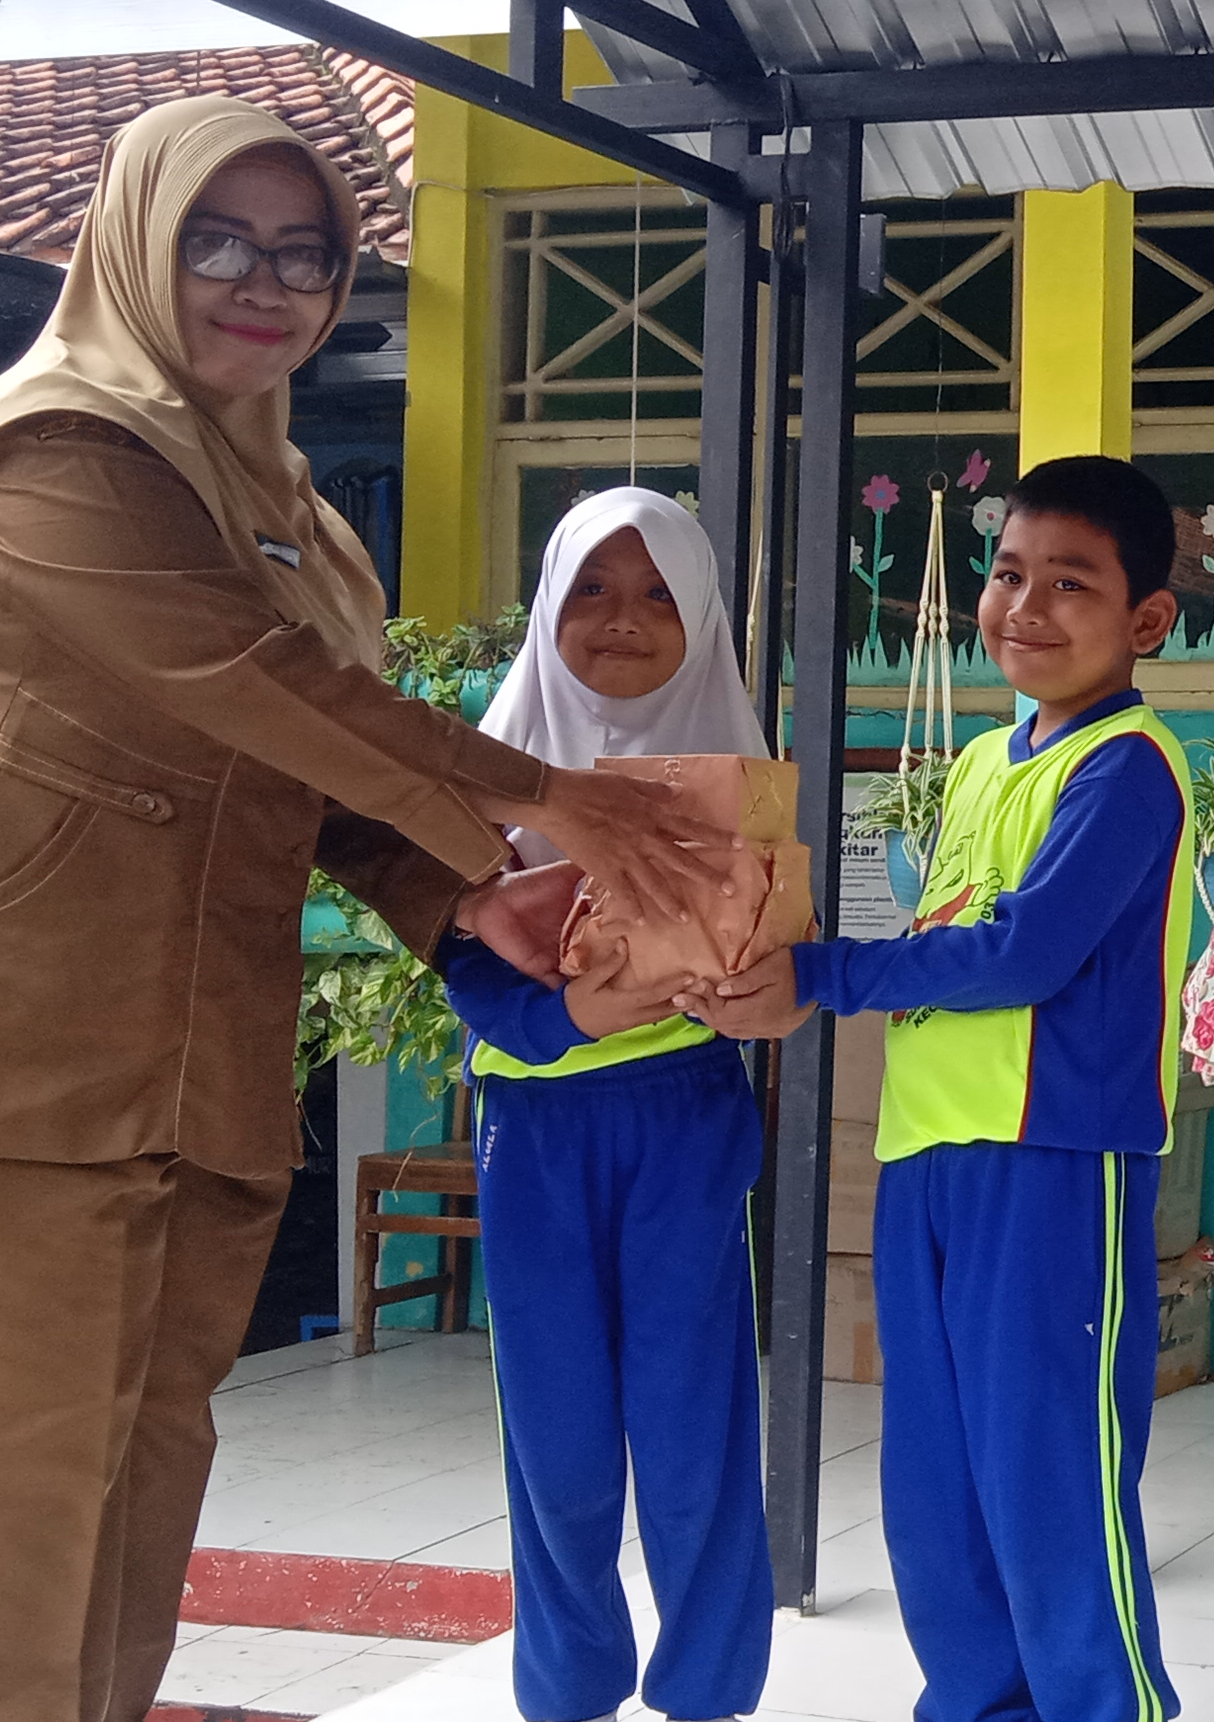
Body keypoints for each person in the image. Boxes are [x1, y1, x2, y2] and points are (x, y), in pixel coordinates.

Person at [0, 97, 718, 1722]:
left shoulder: (286, 509)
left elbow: (295, 769)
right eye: (218, 241)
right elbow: (256, 684)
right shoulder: (62, 448)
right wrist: (550, 796)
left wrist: (458, 898)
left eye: (304, 254)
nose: (262, 284)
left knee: (133, 1519)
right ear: (135, 241)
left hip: (182, 1060)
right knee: (15, 1544)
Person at [695, 453, 1196, 1722]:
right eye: (1007, 573)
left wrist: (819, 974)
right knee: (936, 1488)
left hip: (1053, 1158)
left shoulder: (1127, 766)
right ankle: (973, 1704)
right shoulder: (980, 761)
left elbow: (1022, 951)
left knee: (1049, 1482)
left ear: (1145, 619)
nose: (1023, 606)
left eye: (1069, 583)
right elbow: (948, 936)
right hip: (926, 1155)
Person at [429, 486, 772, 1722]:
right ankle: (566, 1688)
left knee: (691, 1428)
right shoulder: (485, 772)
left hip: (684, 1120)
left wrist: (766, 994)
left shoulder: (738, 776)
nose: (623, 618)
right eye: (591, 590)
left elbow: (779, 947)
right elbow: (458, 956)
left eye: (657, 595)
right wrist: (568, 1017)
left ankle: (709, 1692)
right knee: (558, 1437)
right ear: (547, 608)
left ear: (703, 619)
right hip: (536, 1133)